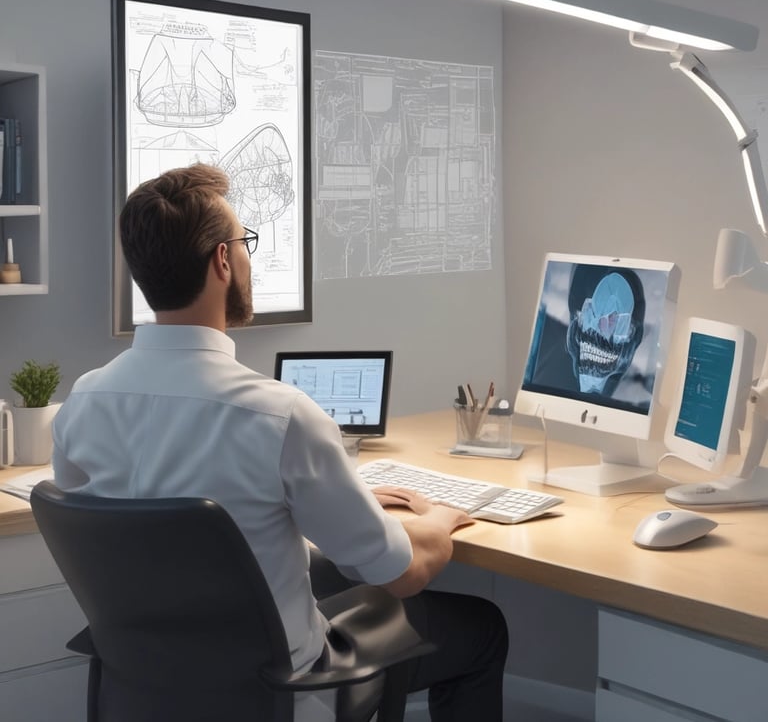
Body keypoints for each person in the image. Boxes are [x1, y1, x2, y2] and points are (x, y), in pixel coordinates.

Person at [52, 164, 508, 721]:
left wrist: (311, 517)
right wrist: (438, 519)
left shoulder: (85, 402)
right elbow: (403, 573)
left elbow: (136, 535)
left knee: (330, 575)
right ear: (223, 260)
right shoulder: (280, 415)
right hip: (282, 694)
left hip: (150, 689)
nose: (247, 259)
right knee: (482, 629)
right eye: (245, 244)